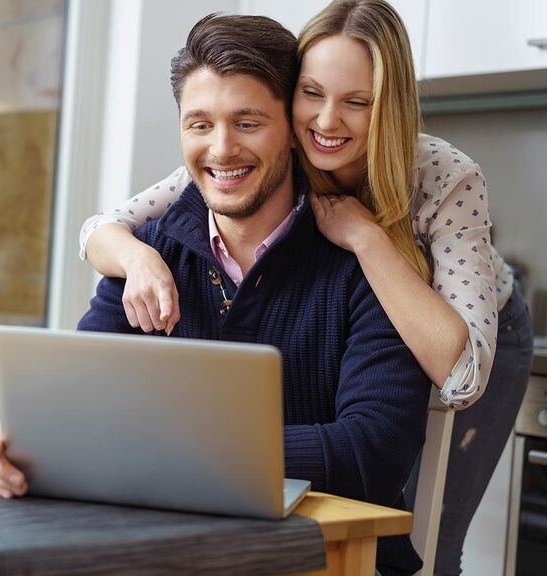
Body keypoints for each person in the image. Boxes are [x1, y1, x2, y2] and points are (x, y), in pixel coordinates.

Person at [78, 1, 533, 574]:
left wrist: (369, 242)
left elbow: (453, 380)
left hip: (472, 321)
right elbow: (104, 230)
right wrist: (135, 260)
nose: (325, 122)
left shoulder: (438, 179)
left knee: (431, 533)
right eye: (312, 95)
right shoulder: (218, 173)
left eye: (357, 102)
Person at [0, 12, 431, 576]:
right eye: (199, 124)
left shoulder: (368, 263)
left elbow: (373, 455)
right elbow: (76, 405)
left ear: (293, 130)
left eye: (247, 123)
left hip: (327, 560)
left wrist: (170, 452)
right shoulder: (149, 251)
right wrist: (29, 441)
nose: (221, 150)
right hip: (170, 554)